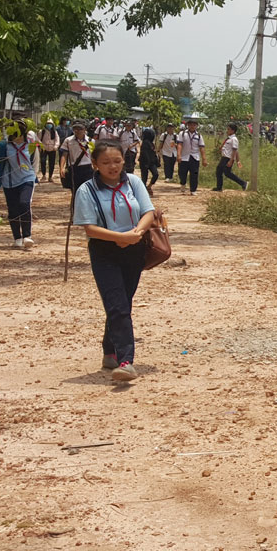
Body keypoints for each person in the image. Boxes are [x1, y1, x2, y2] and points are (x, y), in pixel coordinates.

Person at [72, 139, 157, 383]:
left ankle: (109, 352)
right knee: (117, 305)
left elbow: (148, 212)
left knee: (123, 302)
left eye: (117, 161)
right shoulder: (86, 190)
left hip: (134, 249)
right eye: (106, 162)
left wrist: (134, 236)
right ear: (95, 164)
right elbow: (90, 228)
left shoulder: (134, 182)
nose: (113, 167)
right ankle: (125, 361)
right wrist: (120, 237)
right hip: (104, 252)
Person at [0, 122, 39, 248]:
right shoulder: (5, 146)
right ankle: (17, 237)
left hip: (27, 178)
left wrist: (33, 176)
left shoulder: (30, 145)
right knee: (13, 209)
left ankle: (27, 236)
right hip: (9, 181)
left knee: (24, 203)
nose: (15, 138)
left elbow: (35, 162)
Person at [60, 122, 94, 192]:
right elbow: (64, 155)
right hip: (74, 168)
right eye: (75, 129)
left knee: (88, 190)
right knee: (75, 190)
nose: (77, 131)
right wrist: (62, 168)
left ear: (85, 129)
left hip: (88, 168)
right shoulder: (68, 140)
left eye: (80, 129)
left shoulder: (91, 141)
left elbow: (94, 154)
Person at [213, 123, 248, 191]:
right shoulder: (229, 138)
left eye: (228, 129)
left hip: (228, 158)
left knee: (224, 172)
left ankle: (243, 183)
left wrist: (231, 160)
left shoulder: (234, 139)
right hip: (224, 157)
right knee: (222, 172)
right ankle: (219, 187)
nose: (227, 130)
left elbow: (235, 150)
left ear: (233, 131)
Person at [176, 117, 206, 195]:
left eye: (194, 125)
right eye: (190, 125)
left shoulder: (199, 136)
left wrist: (204, 159)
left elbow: (201, 147)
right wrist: (178, 155)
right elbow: (179, 144)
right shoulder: (182, 134)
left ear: (196, 126)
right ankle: (183, 183)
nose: (192, 126)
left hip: (194, 157)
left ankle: (193, 190)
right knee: (182, 173)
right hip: (184, 157)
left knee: (194, 174)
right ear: (187, 125)